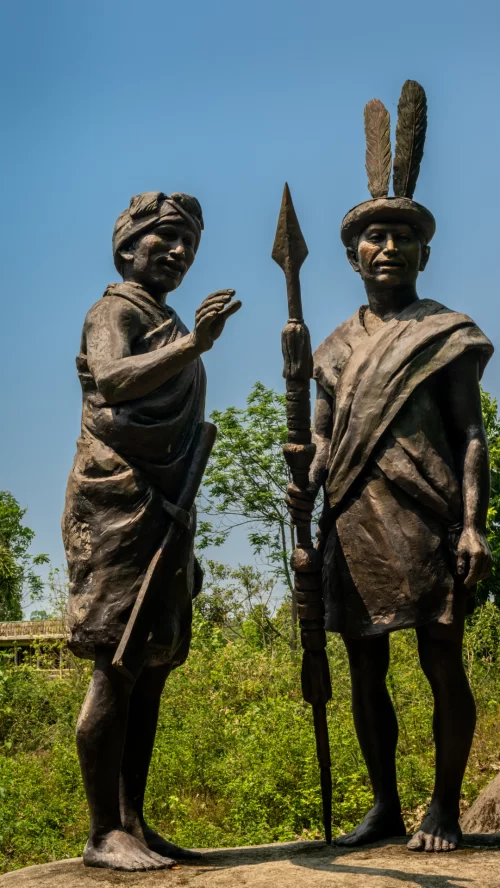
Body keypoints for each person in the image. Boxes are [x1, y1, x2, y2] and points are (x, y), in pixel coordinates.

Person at [286, 82, 493, 852]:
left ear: (422, 252)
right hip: (352, 520)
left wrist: (472, 524)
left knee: (441, 659)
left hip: (427, 515)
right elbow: (321, 435)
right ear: (351, 254)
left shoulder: (446, 332)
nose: (386, 247)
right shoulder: (334, 345)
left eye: (401, 238)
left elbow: (471, 434)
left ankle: (441, 805)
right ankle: (383, 806)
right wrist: (300, 483)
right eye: (372, 238)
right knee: (363, 665)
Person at [62, 190, 241, 871]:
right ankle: (101, 828)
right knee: (116, 664)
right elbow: (110, 381)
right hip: (117, 508)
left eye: (188, 246)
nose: (178, 253)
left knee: (152, 668)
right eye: (166, 238)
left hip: (169, 504)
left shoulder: (164, 319)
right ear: (127, 244)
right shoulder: (113, 311)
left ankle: (133, 821)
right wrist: (196, 343)